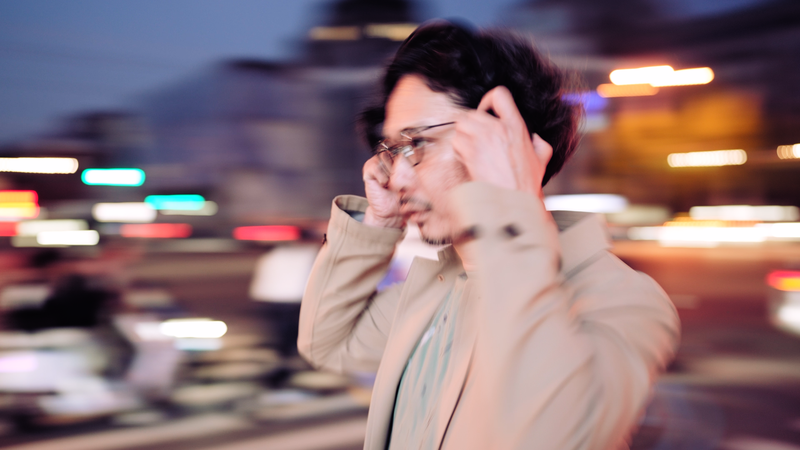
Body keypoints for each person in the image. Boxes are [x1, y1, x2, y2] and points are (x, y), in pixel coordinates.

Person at [298, 20, 680, 450]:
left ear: (504, 139)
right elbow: (326, 342)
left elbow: (552, 435)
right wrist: (379, 225)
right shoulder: (438, 288)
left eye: (417, 144)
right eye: (392, 151)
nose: (396, 177)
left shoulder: (623, 299)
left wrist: (505, 208)